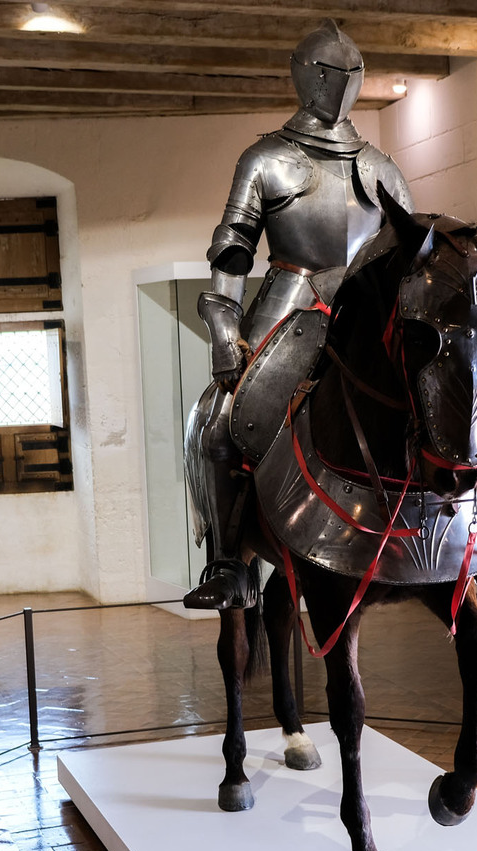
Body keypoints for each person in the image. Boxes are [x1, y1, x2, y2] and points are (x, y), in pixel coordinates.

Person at [182, 20, 412, 611]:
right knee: (221, 418)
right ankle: (229, 564)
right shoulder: (265, 158)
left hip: (361, 316)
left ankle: (446, 532)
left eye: (352, 74)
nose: (343, 84)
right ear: (306, 75)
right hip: (287, 306)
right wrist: (224, 326)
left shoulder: (384, 169)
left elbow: (407, 258)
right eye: (333, 73)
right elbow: (234, 247)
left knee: (433, 401)